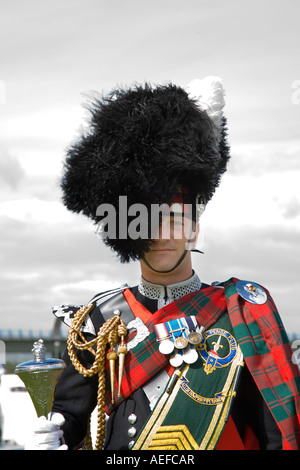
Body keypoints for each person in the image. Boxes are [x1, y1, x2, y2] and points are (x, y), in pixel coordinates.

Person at [26, 78, 300, 451]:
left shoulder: (242, 311)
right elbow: (73, 413)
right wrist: (56, 428)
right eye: (146, 221)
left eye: (174, 219)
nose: (162, 234)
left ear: (195, 229)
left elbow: (275, 432)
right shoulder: (98, 321)